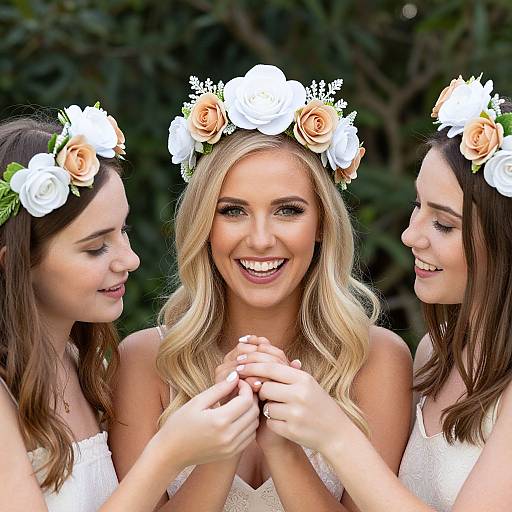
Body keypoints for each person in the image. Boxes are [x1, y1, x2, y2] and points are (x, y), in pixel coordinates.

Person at [110, 64, 412, 511]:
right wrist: (224, 441)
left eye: (288, 210)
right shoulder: (143, 362)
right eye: (232, 211)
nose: (260, 238)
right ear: (203, 226)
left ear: (322, 224)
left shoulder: (378, 361)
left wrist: (282, 446)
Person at [240, 75, 512, 512]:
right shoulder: (434, 356)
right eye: (417, 206)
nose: (410, 236)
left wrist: (335, 433)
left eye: (443, 224)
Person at [0, 107, 259, 512]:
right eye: (96, 247)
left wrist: (223, 436)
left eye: (124, 230)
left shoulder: (78, 365)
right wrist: (166, 455)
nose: (130, 259)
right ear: (14, 263)